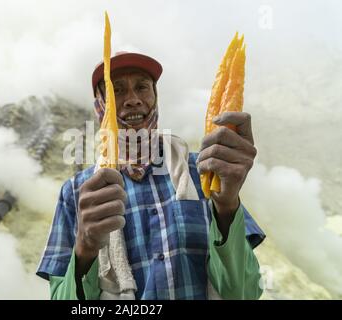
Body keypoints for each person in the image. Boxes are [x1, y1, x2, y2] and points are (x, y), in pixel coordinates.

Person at [36, 52, 265, 300]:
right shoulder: (77, 193)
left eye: (142, 87)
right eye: (117, 90)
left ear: (155, 97)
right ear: (100, 106)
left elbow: (245, 293)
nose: (133, 99)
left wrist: (227, 205)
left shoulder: (205, 171)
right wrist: (85, 247)